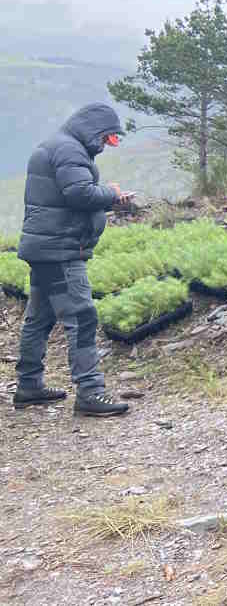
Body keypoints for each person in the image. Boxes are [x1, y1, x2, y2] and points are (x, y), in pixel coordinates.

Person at [14, 103, 134, 417]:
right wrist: (111, 193)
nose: (107, 146)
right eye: (107, 138)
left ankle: (29, 386)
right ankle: (90, 392)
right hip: (60, 252)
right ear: (94, 131)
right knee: (82, 317)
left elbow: (69, 196)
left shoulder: (58, 145)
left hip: (45, 249)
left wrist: (105, 198)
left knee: (39, 318)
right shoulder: (70, 150)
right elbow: (79, 193)